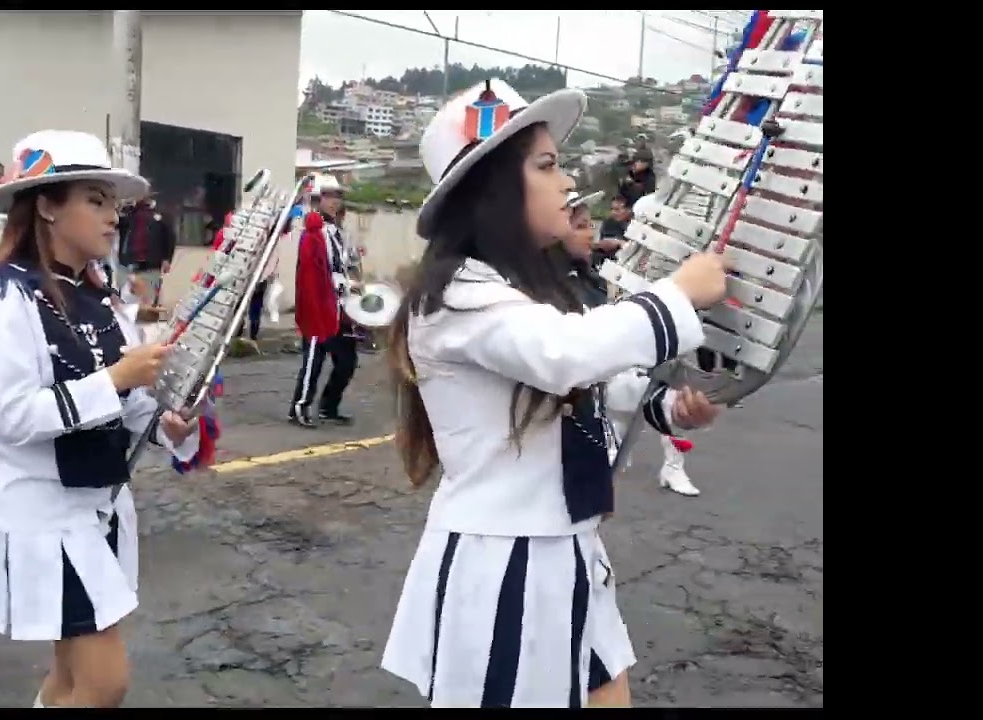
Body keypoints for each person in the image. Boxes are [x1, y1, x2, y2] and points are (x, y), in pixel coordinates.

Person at [379, 79, 728, 708]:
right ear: (492, 191)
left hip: (564, 545)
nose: (567, 182)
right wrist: (678, 293)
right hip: (506, 562)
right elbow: (564, 356)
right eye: (547, 165)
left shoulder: (520, 287)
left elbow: (591, 381)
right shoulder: (458, 294)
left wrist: (668, 406)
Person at [0, 130, 219, 708]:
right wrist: (117, 379)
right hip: (45, 517)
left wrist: (168, 426)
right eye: (96, 201)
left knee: (70, 680)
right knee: (104, 685)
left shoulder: (101, 300)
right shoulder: (4, 301)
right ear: (49, 205)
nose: (112, 220)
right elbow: (12, 419)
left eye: (115, 206)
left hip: (101, 509)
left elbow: (131, 407)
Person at [565, 195, 702, 498]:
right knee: (613, 421)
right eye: (581, 225)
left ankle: (673, 466)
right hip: (629, 352)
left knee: (672, 396)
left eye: (591, 224)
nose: (591, 232)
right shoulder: (622, 263)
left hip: (663, 338)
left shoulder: (678, 252)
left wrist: (669, 405)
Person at [288, 174, 358, 428]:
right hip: (320, 306)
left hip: (339, 307)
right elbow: (314, 274)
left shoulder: (337, 233)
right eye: (328, 196)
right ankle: (299, 407)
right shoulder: (313, 232)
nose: (334, 201)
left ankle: (329, 406)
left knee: (347, 360)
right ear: (318, 199)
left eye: (337, 196)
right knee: (314, 361)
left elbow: (343, 267)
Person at [116, 190, 177, 306]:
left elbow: (169, 236)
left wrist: (167, 258)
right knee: (127, 296)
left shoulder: (160, 214)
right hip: (129, 260)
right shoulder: (128, 213)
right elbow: (116, 224)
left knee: (148, 296)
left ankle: (148, 310)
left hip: (151, 262)